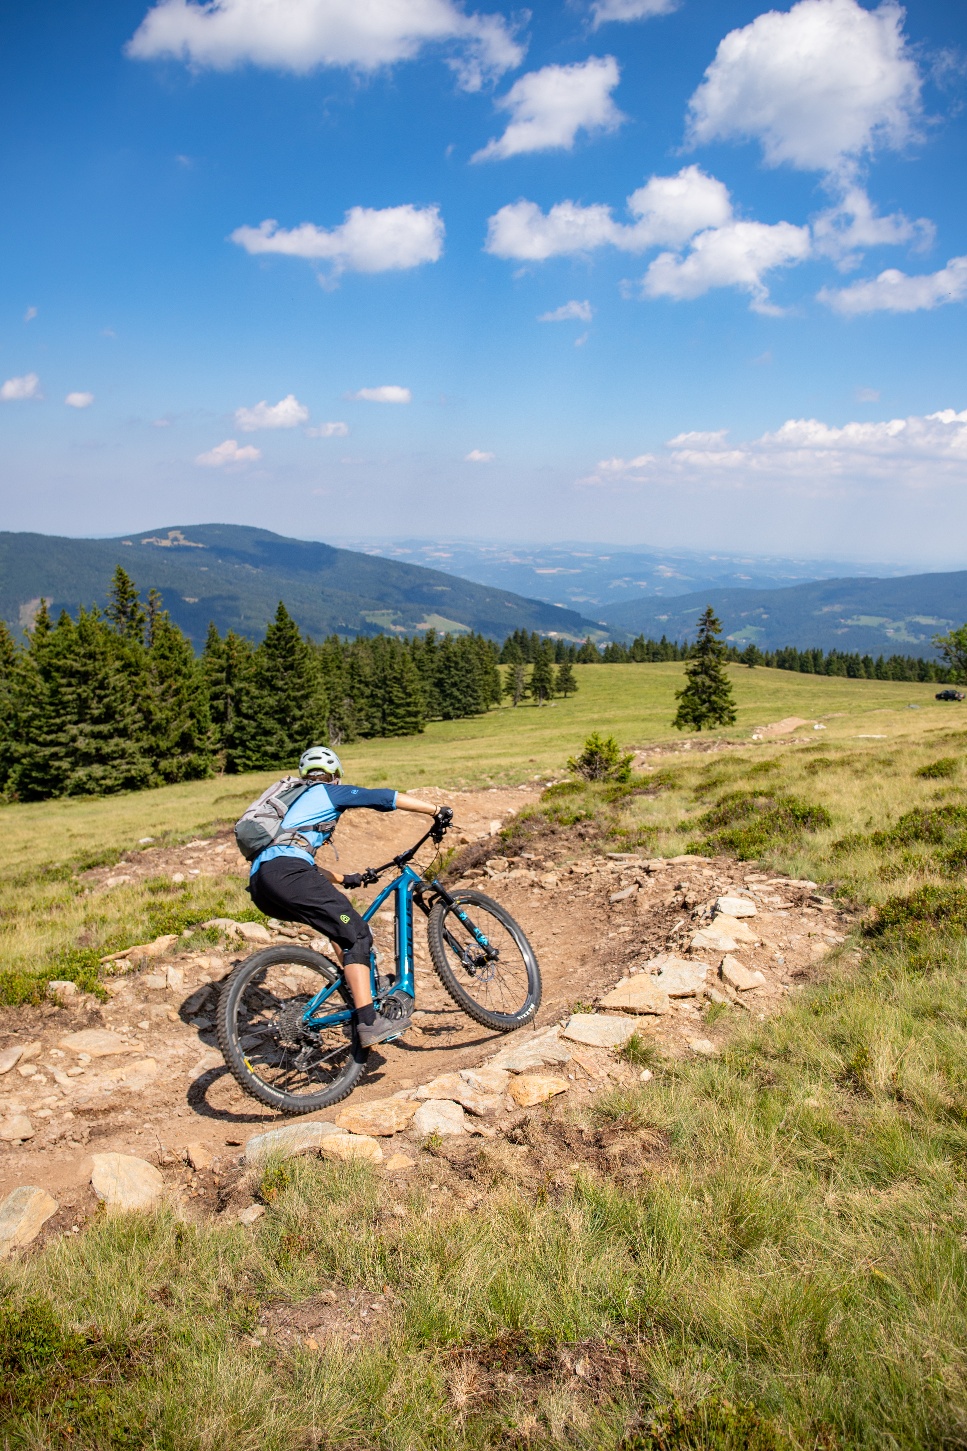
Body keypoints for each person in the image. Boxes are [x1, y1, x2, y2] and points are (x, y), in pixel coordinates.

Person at [247, 744, 443, 1047]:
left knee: (340, 931)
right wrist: (436, 810)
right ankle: (368, 1022)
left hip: (263, 883)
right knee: (358, 935)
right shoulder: (326, 791)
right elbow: (383, 797)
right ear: (334, 774)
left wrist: (345, 879)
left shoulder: (292, 804)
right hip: (289, 873)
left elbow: (291, 859)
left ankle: (360, 992)